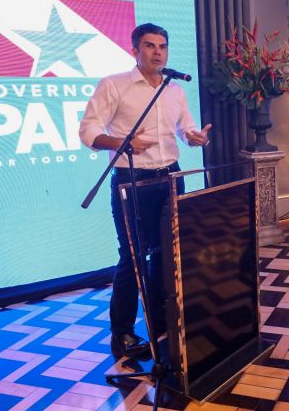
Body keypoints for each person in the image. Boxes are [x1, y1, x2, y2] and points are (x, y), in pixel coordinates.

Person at [79, 23, 211, 358]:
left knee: (167, 253)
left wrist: (194, 137)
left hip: (171, 178)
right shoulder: (114, 85)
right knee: (133, 256)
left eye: (162, 46)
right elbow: (88, 130)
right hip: (132, 180)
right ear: (135, 50)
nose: (157, 52)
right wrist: (121, 143)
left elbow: (185, 128)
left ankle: (163, 321)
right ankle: (122, 333)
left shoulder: (174, 90)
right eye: (150, 46)